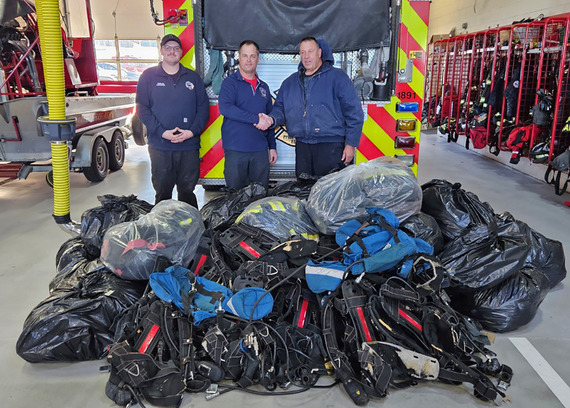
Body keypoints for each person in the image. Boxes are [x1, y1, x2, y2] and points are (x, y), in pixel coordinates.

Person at [259, 37, 363, 178]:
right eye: (303, 52)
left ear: (319, 53)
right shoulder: (290, 83)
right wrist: (271, 119)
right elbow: (280, 109)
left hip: (331, 146)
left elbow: (354, 112)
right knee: (304, 192)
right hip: (303, 147)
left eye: (310, 52)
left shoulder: (338, 78)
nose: (306, 56)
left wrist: (350, 144)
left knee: (331, 193)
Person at [136, 34, 209, 208]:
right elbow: (142, 108)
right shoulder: (148, 77)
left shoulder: (193, 78)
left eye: (176, 48)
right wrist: (162, 132)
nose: (172, 51)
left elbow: (203, 108)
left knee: (187, 192)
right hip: (161, 147)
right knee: (163, 192)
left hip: (188, 146)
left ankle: (190, 229)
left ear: (181, 52)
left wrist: (191, 132)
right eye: (168, 47)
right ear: (161, 50)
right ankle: (162, 230)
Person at [218, 40, 277, 190]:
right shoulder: (230, 83)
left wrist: (272, 146)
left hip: (260, 152)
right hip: (236, 151)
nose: (249, 60)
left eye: (252, 56)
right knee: (236, 197)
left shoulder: (264, 87)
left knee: (259, 196)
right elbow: (226, 108)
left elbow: (269, 118)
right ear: (239, 57)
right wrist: (256, 119)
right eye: (245, 56)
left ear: (258, 58)